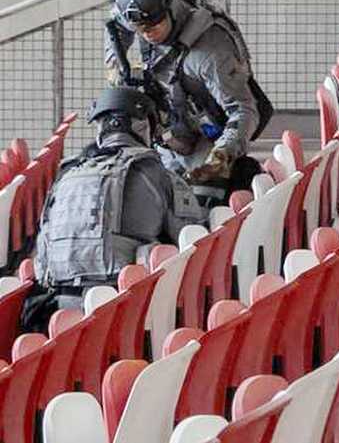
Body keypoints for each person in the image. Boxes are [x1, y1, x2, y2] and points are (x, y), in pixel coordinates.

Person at [25, 86, 206, 329]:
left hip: (58, 313)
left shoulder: (66, 173)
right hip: (124, 309)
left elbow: (42, 253)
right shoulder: (152, 172)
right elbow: (192, 237)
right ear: (143, 125)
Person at [103, 0, 272, 192]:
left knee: (201, 208)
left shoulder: (210, 51)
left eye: (153, 26)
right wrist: (115, 66)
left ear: (172, 7)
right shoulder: (142, 13)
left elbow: (244, 109)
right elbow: (115, 25)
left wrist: (220, 159)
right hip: (170, 130)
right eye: (139, 30)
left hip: (207, 139)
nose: (147, 34)